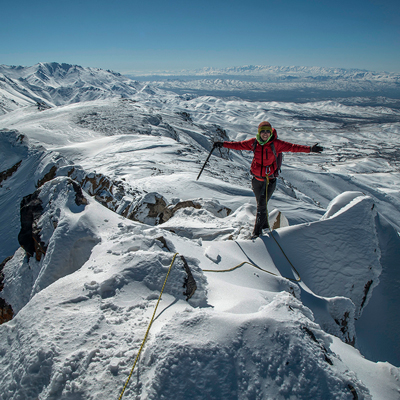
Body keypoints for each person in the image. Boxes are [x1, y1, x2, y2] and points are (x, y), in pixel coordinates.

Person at [213, 121, 323, 239]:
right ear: (259, 132)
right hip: (256, 180)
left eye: (267, 131)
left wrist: (310, 149)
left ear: (270, 132)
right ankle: (265, 227)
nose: (265, 134)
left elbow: (293, 147)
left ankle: (256, 233)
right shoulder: (254, 142)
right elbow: (238, 145)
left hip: (269, 181)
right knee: (261, 204)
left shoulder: (276, 144)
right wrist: (222, 144)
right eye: (263, 131)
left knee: (261, 204)